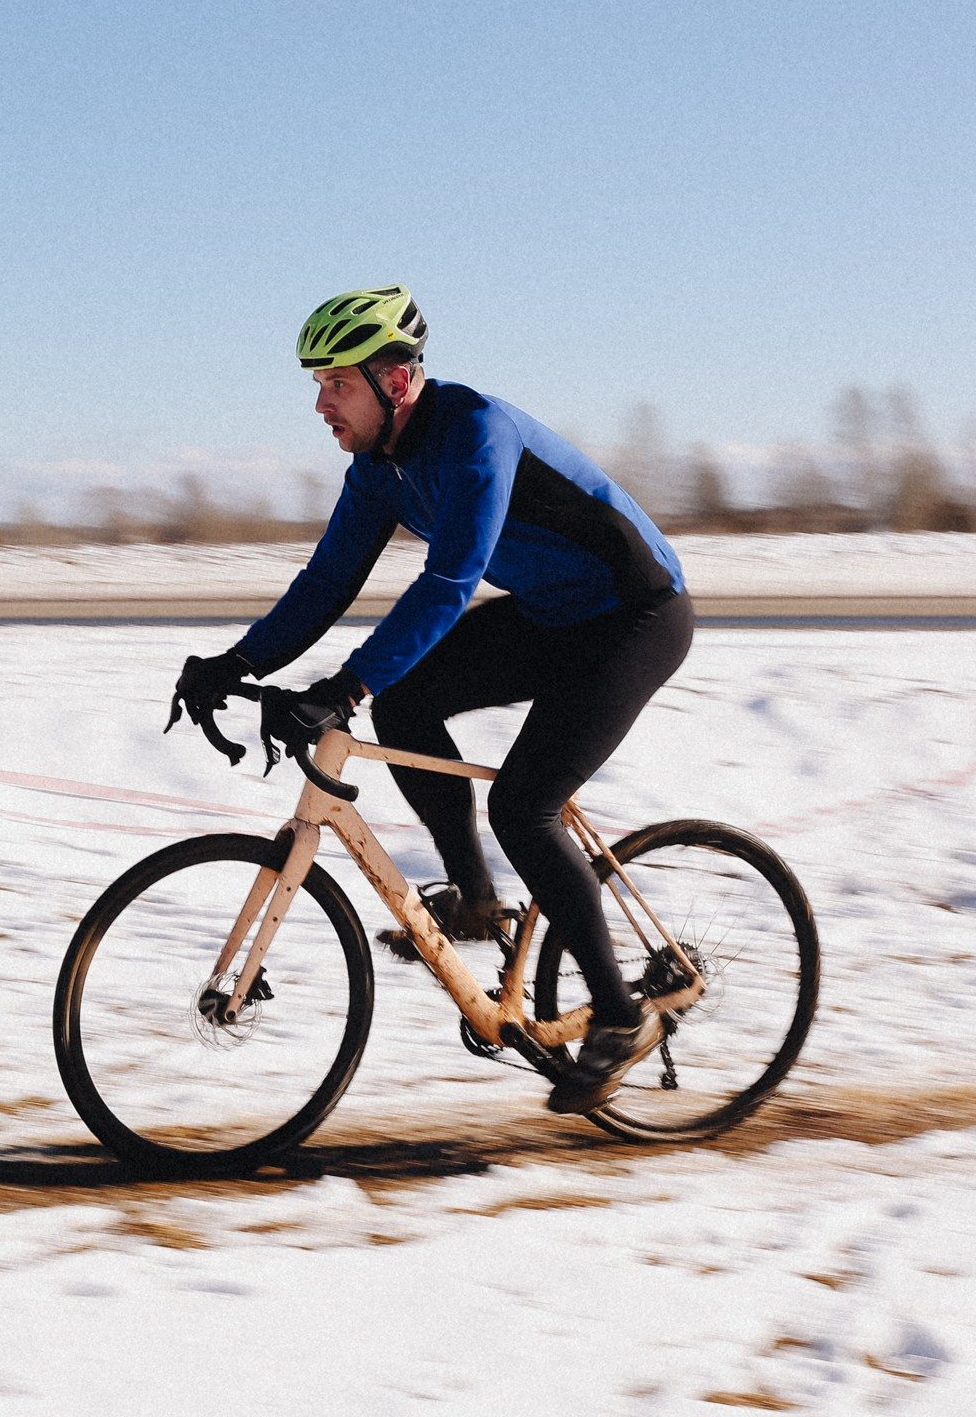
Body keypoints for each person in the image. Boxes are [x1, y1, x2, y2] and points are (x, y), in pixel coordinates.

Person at [171, 286, 692, 1115]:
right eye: (317, 383)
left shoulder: (477, 433)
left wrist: (345, 684)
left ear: (396, 381)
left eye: (335, 383)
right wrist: (233, 661)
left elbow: (449, 579)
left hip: (635, 617)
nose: (319, 404)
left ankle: (621, 1017)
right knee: (405, 699)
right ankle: (477, 900)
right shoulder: (378, 470)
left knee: (526, 808)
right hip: (552, 616)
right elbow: (329, 581)